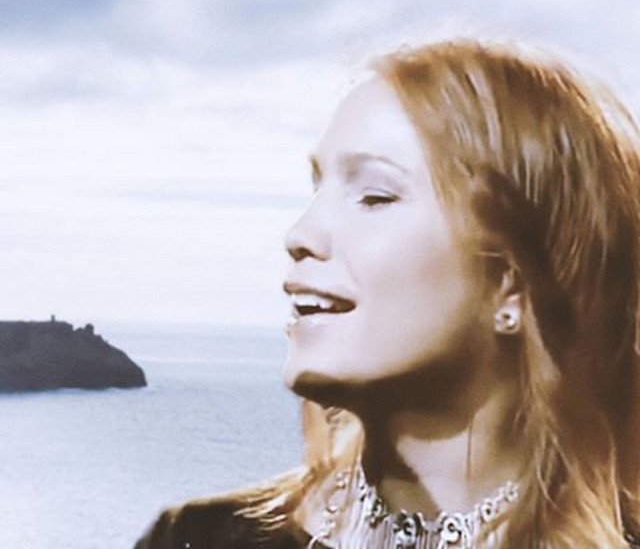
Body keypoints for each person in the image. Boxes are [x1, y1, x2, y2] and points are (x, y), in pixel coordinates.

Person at [135, 39, 640, 548]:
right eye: (318, 189)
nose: (300, 234)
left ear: (511, 282)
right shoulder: (195, 538)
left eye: (374, 197)